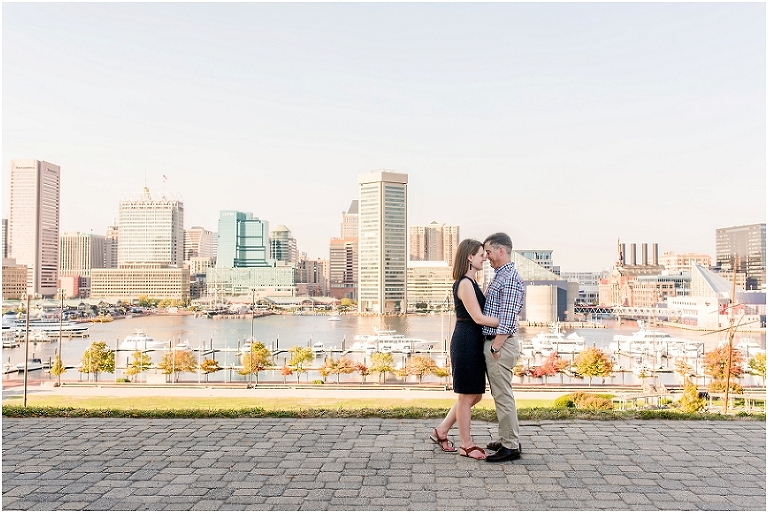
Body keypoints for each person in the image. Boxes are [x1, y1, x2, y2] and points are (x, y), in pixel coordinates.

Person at [430, 239, 499, 460]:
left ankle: (441, 430)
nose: (485, 257)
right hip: (466, 342)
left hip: (472, 341)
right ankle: (466, 445)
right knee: (467, 396)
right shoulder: (465, 284)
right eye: (481, 254)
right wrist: (506, 323)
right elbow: (478, 318)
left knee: (474, 396)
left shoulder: (471, 282)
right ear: (470, 257)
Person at [481, 232, 525, 463]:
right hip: (499, 343)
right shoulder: (501, 275)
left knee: (503, 395)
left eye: (488, 251)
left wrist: (495, 348)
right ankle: (509, 437)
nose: (486, 256)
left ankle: (510, 446)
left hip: (501, 344)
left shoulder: (508, 278)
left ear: (501, 250)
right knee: (501, 394)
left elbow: (507, 319)